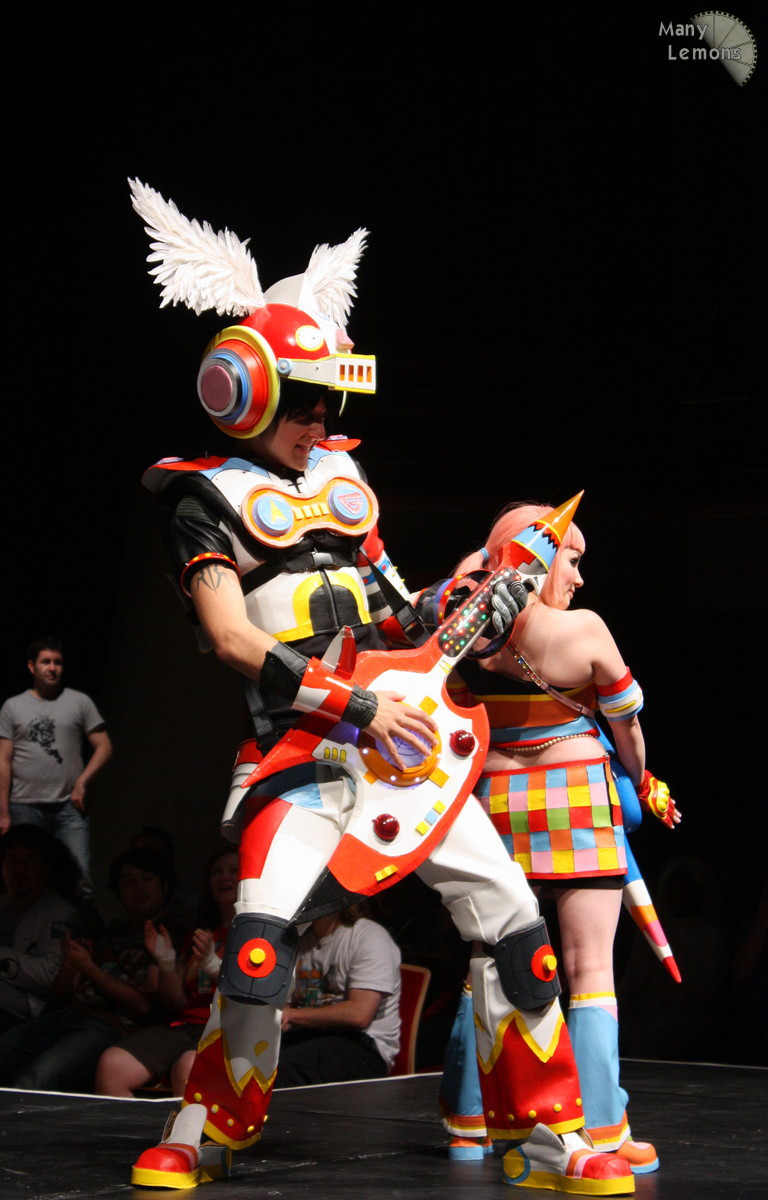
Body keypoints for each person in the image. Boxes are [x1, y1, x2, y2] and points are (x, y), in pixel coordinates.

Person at [126, 179, 634, 1194]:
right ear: (244, 391)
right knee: (259, 947)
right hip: (306, 751)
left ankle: (545, 1131)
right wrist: (361, 705)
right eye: (304, 399)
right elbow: (229, 638)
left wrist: (467, 596)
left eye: (330, 401)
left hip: (405, 745)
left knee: (518, 933)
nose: (322, 418)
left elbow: (399, 615)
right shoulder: (202, 501)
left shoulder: (345, 483)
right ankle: (209, 1122)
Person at [438, 502, 680, 1174]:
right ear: (539, 559)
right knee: (590, 967)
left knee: (489, 960)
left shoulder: (464, 625)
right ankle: (602, 1129)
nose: (577, 577)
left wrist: (479, 569)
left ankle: (469, 1120)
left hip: (490, 803)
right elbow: (628, 728)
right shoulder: (583, 630)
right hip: (575, 799)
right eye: (570, 559)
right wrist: (644, 781)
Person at [0, 846, 181, 1091]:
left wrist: (89, 969)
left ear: (164, 886)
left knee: (35, 1078)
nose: (138, 887)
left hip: (112, 1026)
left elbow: (144, 1007)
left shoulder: (170, 933)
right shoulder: (109, 931)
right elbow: (58, 996)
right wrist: (71, 966)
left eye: (147, 879)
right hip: (65, 1015)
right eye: (128, 881)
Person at [95, 846, 238, 1098]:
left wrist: (212, 964)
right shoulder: (201, 933)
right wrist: (166, 962)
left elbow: (254, 995)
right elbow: (176, 1002)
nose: (224, 877)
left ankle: (184, 1127)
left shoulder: (259, 934)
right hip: (187, 1025)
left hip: (231, 1027)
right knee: (112, 1064)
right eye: (217, 872)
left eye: (233, 870)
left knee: (188, 1069)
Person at [0, 636, 113, 897]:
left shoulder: (78, 702)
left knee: (79, 878)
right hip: (25, 805)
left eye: (57, 662)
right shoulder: (13, 706)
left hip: (68, 807)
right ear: (31, 666)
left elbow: (104, 746)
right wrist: (2, 810)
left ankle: (78, 922)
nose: (52, 668)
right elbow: (2, 760)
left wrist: (82, 783)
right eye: (45, 662)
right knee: (24, 880)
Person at [0, 825, 80, 1055]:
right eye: (13, 860)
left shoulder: (59, 912)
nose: (20, 868)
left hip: (18, 1011)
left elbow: (51, 975)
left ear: (46, 868)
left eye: (30, 861)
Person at [278, 906, 401, 1086]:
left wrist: (291, 1015)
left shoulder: (368, 936)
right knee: (261, 1055)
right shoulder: (301, 940)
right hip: (313, 1034)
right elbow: (290, 1002)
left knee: (289, 1064)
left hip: (365, 1044)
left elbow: (359, 1014)